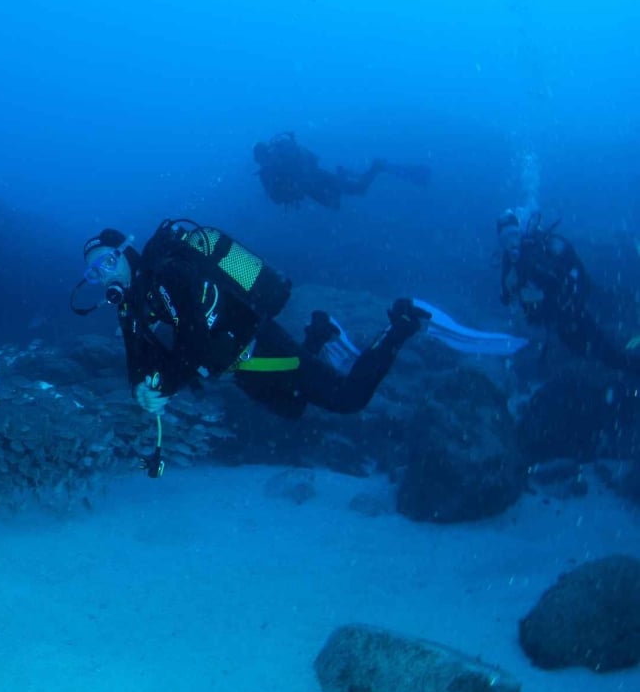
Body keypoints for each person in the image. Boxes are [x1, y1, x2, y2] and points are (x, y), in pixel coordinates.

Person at [72, 220, 428, 474]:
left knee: (348, 399)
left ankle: (400, 325)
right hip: (238, 369)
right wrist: (141, 391)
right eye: (94, 273)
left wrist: (165, 387)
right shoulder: (130, 306)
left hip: (262, 345)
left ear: (126, 252)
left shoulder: (168, 273)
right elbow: (136, 361)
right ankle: (318, 334)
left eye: (108, 262)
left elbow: (194, 342)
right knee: (293, 409)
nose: (105, 275)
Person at [497, 208, 640, 374]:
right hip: (559, 320)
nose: (511, 242)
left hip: (576, 305)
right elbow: (506, 297)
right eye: (505, 238)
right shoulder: (508, 262)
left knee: (609, 348)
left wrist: (542, 295)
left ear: (520, 232)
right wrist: (511, 290)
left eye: (513, 234)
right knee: (591, 352)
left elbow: (566, 279)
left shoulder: (538, 249)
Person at [253, 131, 429, 209]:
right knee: (335, 205)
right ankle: (343, 173)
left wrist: (292, 189)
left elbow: (279, 195)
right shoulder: (276, 162)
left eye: (260, 160)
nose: (261, 163)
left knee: (359, 190)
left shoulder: (276, 164)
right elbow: (279, 195)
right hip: (314, 182)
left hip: (316, 180)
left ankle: (377, 166)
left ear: (262, 156)